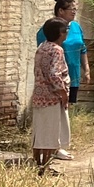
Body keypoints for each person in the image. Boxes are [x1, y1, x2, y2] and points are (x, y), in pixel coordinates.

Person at [36, 0, 89, 161]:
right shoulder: (49, 31)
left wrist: (86, 68)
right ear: (61, 11)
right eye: (71, 9)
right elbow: (51, 71)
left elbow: (83, 48)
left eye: (75, 9)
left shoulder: (76, 27)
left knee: (64, 113)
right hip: (54, 87)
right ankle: (51, 150)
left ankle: (54, 147)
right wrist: (61, 90)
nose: (74, 12)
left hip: (71, 75)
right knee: (52, 119)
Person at [30, 17, 71, 176]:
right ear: (61, 34)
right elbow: (54, 74)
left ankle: (37, 163)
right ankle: (44, 167)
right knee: (50, 134)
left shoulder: (42, 47)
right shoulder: (57, 50)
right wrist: (62, 92)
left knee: (39, 132)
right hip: (52, 97)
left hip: (39, 95)